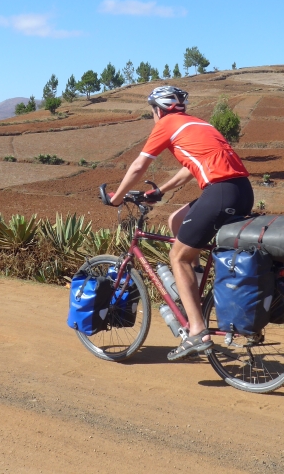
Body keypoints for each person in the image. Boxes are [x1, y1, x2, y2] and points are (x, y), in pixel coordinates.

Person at [106, 86, 253, 360]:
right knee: (177, 220)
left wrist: (117, 197)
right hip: (242, 190)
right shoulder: (198, 124)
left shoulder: (166, 124)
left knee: (179, 258)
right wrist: (160, 191)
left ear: (157, 110)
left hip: (219, 191)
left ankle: (197, 331)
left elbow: (138, 167)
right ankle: (191, 300)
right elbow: (189, 166)